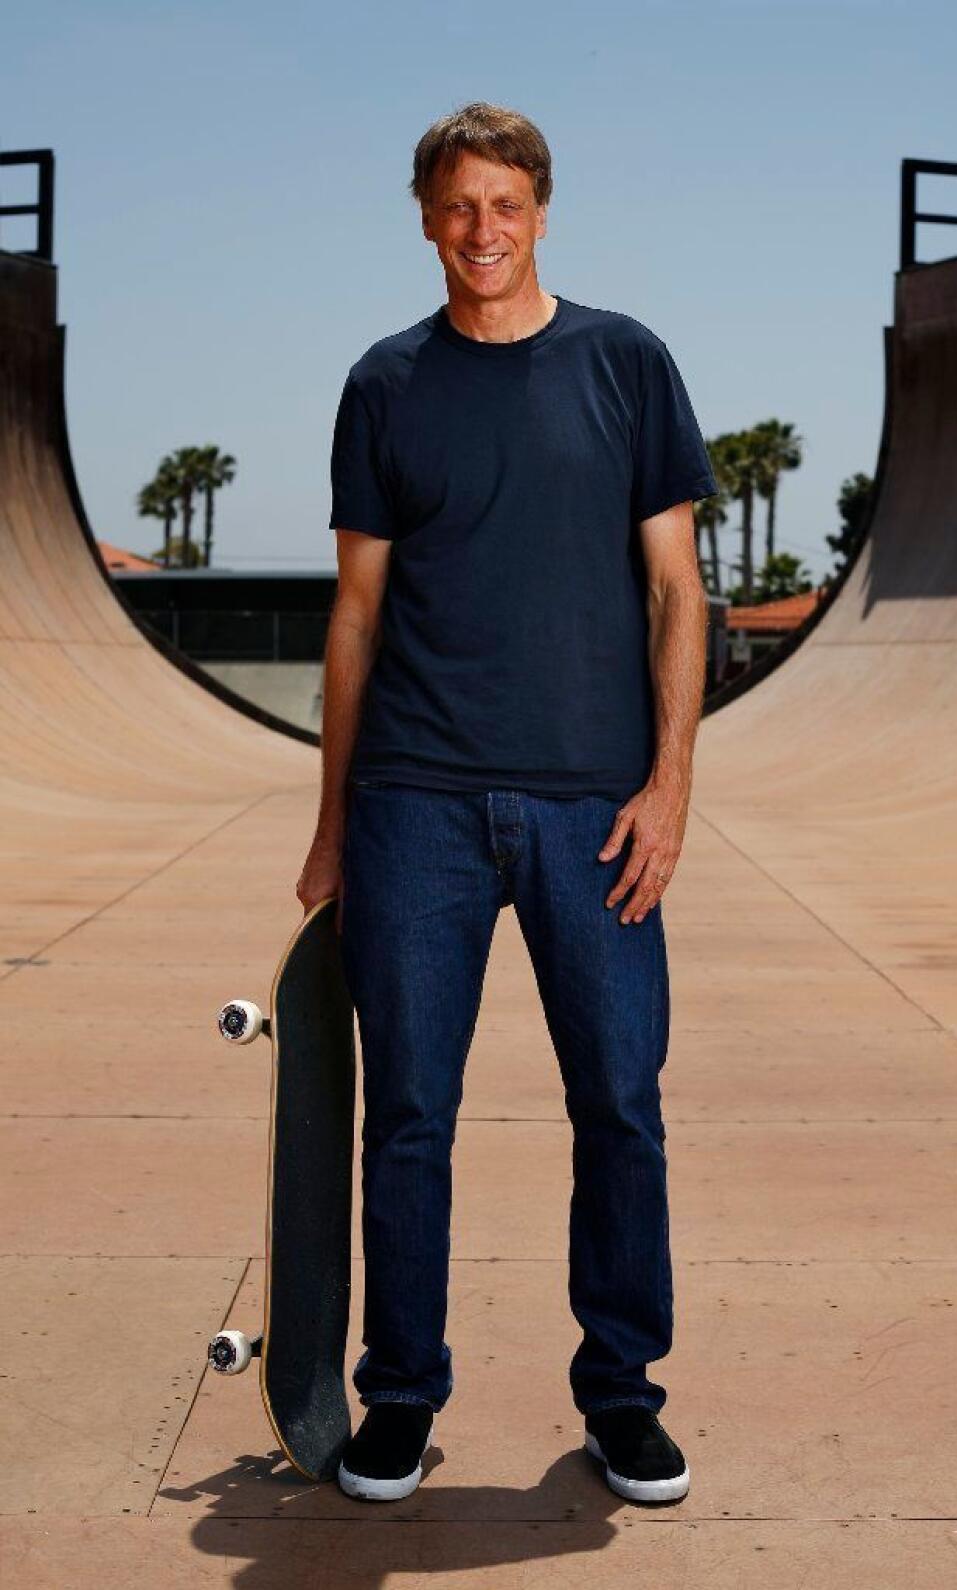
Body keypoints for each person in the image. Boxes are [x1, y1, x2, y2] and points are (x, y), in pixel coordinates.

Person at [297, 100, 718, 1507]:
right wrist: (332, 820)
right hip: (414, 797)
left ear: (543, 213)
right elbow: (354, 620)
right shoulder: (383, 384)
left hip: (592, 807)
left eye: (507, 205)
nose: (484, 231)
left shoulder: (625, 364)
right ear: (425, 217)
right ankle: (400, 1397)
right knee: (408, 1110)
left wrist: (669, 788)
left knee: (620, 1100)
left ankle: (623, 1394)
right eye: (459, 206)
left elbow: (677, 593)